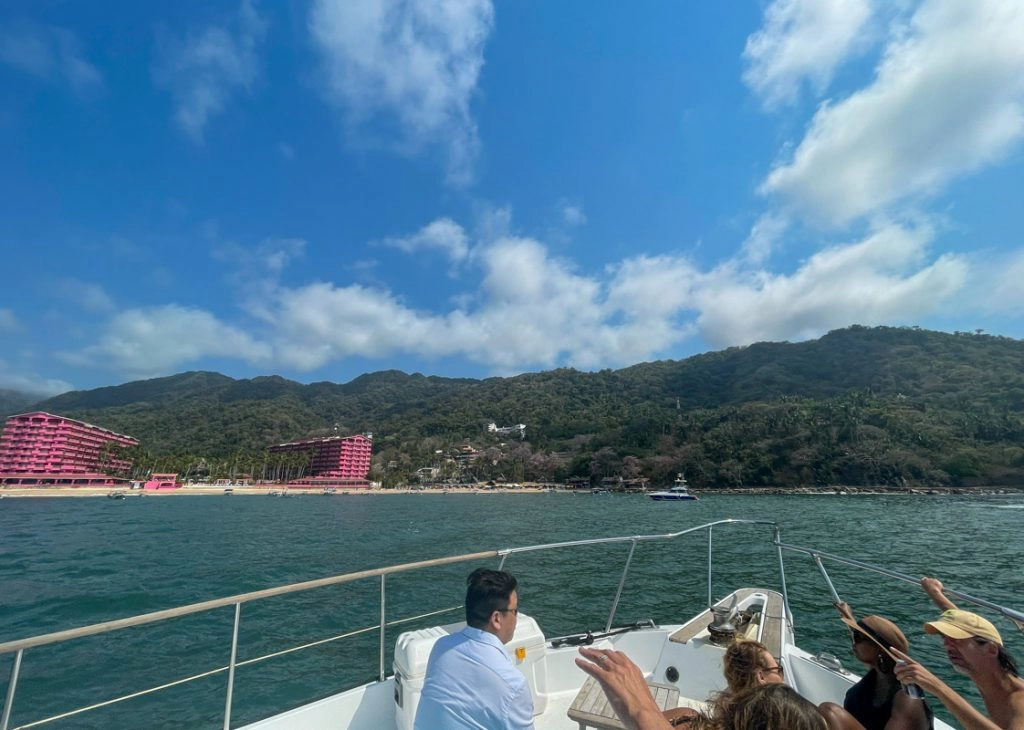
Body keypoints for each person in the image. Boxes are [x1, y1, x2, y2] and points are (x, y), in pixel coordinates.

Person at [890, 577, 1024, 730]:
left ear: (992, 649)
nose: (947, 645)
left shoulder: (1019, 701)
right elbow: (965, 621)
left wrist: (938, 687)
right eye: (945, 638)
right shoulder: (992, 676)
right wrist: (935, 592)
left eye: (956, 638)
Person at [575, 648, 824, 730]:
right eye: (777, 669)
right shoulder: (819, 717)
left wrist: (643, 711)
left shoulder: (685, 716)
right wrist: (642, 712)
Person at [413, 568, 533, 730]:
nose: (517, 617)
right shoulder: (513, 685)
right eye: (515, 611)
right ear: (497, 618)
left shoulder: (441, 648)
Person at [817, 602, 933, 730]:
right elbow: (867, 646)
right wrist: (848, 616)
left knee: (829, 711)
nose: (854, 643)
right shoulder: (880, 673)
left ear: (879, 650)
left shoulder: (907, 699)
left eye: (858, 638)